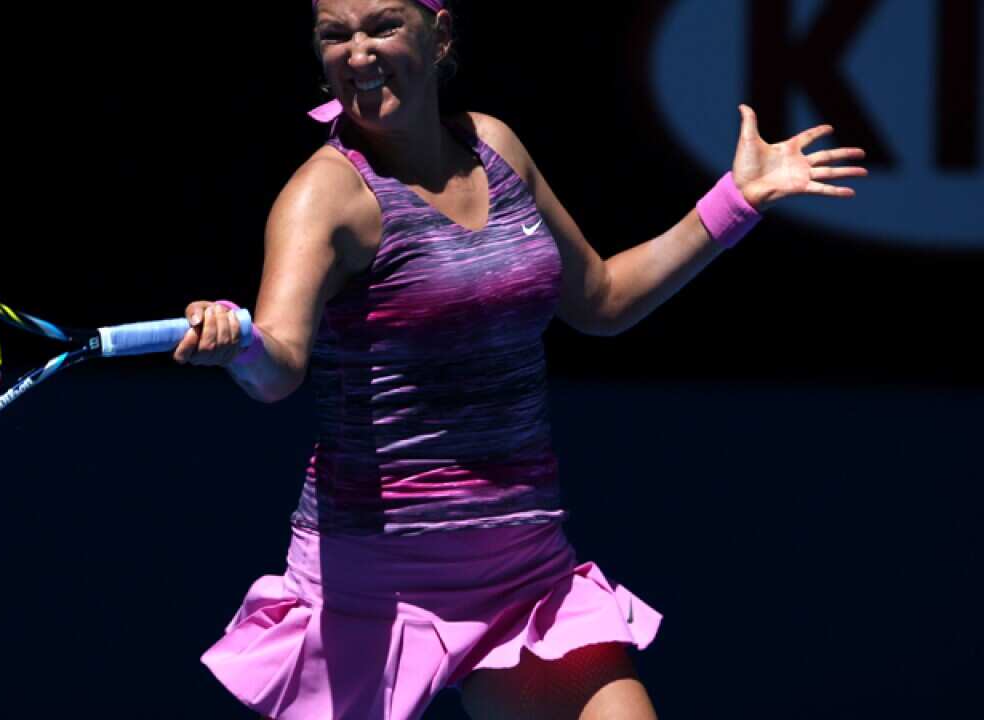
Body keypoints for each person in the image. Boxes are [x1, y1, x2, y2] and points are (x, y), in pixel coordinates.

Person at [176, 1, 867, 717]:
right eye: (334, 35)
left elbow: (600, 298)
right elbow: (280, 363)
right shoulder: (322, 195)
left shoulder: (494, 147)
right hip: (372, 588)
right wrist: (241, 342)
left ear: (438, 36)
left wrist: (737, 201)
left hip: (523, 576)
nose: (357, 52)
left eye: (381, 25)